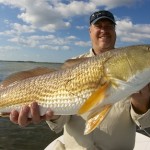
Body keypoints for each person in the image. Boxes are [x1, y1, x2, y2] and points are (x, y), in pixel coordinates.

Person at [10, 10, 150, 150]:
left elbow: (144, 123)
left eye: (109, 26)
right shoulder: (71, 67)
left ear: (115, 31)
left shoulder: (142, 76)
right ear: (90, 31)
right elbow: (59, 123)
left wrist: (142, 105)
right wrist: (49, 114)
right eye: (98, 26)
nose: (104, 30)